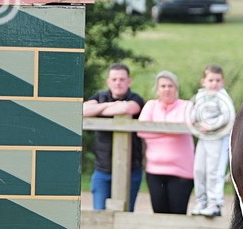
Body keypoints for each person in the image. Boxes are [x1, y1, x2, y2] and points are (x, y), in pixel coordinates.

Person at [83, 63, 146, 212]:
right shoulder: (100, 96)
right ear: (108, 82)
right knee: (99, 213)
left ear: (129, 81)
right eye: (114, 79)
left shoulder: (135, 98)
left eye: (122, 79)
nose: (118, 83)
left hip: (130, 170)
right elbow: (82, 110)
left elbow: (126, 108)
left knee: (126, 213)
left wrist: (98, 109)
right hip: (102, 169)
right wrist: (109, 105)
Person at [138, 70, 195, 214]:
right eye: (163, 86)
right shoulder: (150, 106)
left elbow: (188, 127)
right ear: (157, 89)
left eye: (170, 86)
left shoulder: (187, 106)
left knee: (178, 213)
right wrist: (172, 131)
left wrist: (156, 130)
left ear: (176, 88)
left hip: (182, 171)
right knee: (159, 211)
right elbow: (141, 131)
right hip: (154, 170)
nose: (167, 89)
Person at [188, 65, 235, 217]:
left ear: (222, 82)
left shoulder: (222, 97)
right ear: (203, 82)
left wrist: (210, 125)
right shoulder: (201, 95)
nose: (214, 83)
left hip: (218, 138)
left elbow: (227, 116)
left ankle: (214, 203)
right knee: (199, 170)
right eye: (211, 80)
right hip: (204, 139)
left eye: (218, 80)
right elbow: (196, 112)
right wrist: (193, 118)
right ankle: (201, 202)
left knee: (214, 171)